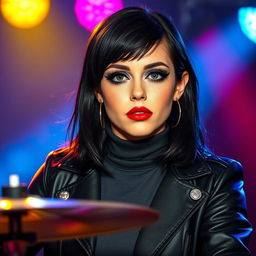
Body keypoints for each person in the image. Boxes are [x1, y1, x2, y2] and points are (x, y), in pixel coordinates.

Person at [28, 7, 252, 256]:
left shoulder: (217, 182)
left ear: (179, 85)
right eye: (119, 77)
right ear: (97, 91)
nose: (137, 92)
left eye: (155, 75)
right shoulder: (58, 175)